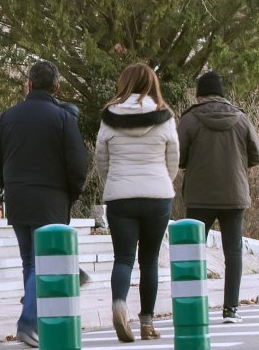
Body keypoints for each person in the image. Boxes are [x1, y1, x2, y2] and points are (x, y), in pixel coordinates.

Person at [0, 61, 90, 347]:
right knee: (42, 263)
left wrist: (5, 184)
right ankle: (29, 321)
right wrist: (71, 194)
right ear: (57, 87)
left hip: (19, 199)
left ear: (29, 85)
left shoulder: (8, 118)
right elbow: (78, 165)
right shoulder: (63, 119)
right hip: (52, 199)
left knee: (30, 262)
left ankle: (34, 321)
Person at [96, 62, 179, 343]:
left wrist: (114, 181)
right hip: (157, 194)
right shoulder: (164, 115)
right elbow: (173, 158)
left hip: (121, 195)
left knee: (123, 258)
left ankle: (120, 304)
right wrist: (163, 182)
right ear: (151, 85)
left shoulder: (109, 116)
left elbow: (101, 158)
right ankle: (147, 323)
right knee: (150, 260)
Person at [178, 71, 259, 324]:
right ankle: (231, 310)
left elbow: (178, 158)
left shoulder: (190, 119)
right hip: (234, 194)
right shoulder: (241, 118)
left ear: (199, 94)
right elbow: (256, 155)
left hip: (199, 196)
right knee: (233, 252)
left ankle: (194, 307)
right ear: (222, 93)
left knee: (193, 252)